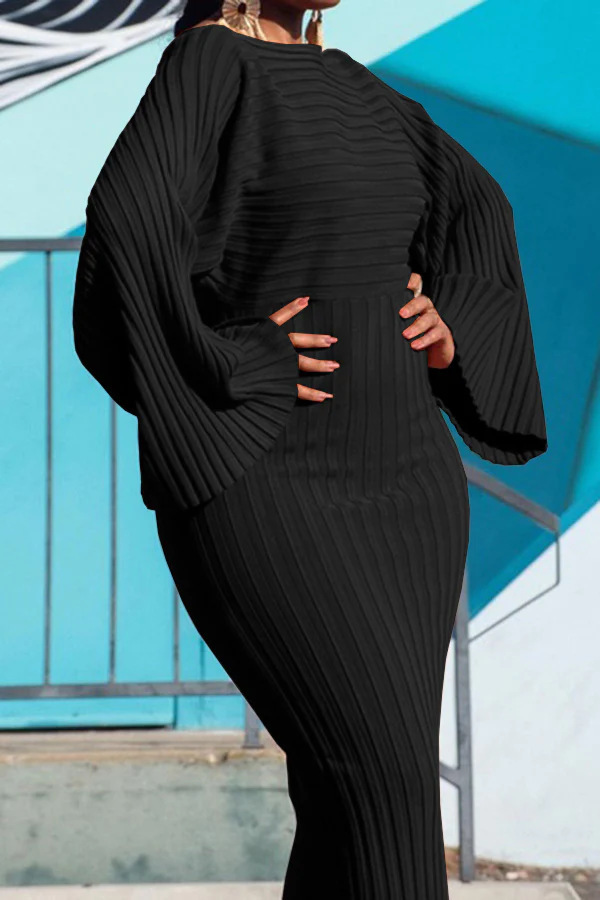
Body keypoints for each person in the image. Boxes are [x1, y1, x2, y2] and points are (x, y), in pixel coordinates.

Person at [72, 1, 548, 896]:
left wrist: (451, 328)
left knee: (353, 806)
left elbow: (479, 208)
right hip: (273, 491)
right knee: (385, 793)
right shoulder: (211, 66)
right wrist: (242, 358)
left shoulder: (353, 85)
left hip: (409, 491)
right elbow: (125, 239)